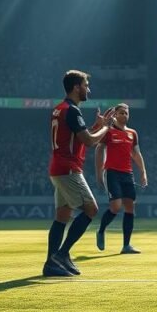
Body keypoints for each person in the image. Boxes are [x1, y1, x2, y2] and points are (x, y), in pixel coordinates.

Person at [44, 70, 116, 278]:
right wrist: (107, 129)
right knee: (91, 209)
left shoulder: (60, 109)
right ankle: (62, 254)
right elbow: (90, 141)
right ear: (76, 87)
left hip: (58, 167)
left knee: (62, 216)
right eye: (85, 85)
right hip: (68, 169)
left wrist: (97, 126)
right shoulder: (73, 111)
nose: (88, 89)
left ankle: (51, 263)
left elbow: (77, 137)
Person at [94, 103, 148, 254]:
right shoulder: (108, 132)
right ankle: (101, 230)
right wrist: (99, 173)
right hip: (112, 173)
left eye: (126, 113)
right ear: (115, 115)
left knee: (130, 207)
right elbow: (99, 150)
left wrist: (143, 172)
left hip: (127, 174)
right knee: (116, 207)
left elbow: (136, 153)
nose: (124, 115)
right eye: (121, 113)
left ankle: (126, 245)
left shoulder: (132, 133)